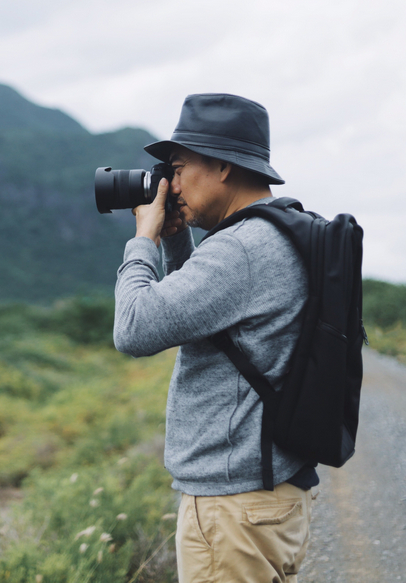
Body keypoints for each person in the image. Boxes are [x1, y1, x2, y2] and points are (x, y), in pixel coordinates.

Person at [113, 93, 316, 583]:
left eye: (178, 168)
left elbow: (134, 328)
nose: (171, 184)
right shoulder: (281, 230)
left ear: (222, 166)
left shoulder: (240, 250)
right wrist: (179, 238)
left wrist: (143, 239)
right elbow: (208, 319)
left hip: (232, 506)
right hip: (270, 494)